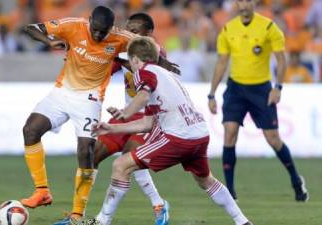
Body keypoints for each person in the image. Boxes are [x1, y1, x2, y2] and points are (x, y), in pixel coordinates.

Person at [90, 36, 253, 225]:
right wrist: (113, 128)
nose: (129, 65)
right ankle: (242, 221)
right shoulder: (166, 76)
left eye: (129, 61)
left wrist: (125, 112)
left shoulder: (143, 72)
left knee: (121, 165)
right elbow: (147, 123)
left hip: (178, 137)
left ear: (135, 60)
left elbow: (142, 97)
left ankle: (102, 221)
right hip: (199, 134)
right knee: (205, 180)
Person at [20, 6, 137, 225]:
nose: (98, 35)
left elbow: (147, 46)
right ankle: (42, 191)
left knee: (86, 151)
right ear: (89, 20)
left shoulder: (120, 37)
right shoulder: (73, 25)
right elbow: (31, 28)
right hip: (61, 92)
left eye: (104, 32)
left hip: (89, 100)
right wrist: (49, 42)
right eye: (95, 29)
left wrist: (160, 61)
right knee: (30, 130)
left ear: (111, 28)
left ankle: (76, 214)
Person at [207, 0, 309, 202]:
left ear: (254, 4)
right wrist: (212, 93)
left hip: (261, 89)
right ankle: (230, 192)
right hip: (235, 88)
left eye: (248, 1)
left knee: (272, 138)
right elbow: (221, 62)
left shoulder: (269, 27)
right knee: (229, 133)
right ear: (236, 5)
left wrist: (278, 88)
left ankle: (296, 180)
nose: (244, 5)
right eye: (240, 2)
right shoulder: (228, 29)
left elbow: (281, 59)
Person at [92, 13, 169, 225]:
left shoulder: (156, 51)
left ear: (148, 34)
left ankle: (158, 205)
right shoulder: (126, 52)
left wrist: (113, 55)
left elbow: (145, 65)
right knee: (91, 156)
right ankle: (76, 213)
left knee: (129, 158)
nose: (129, 35)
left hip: (149, 117)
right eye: (127, 30)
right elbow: (104, 68)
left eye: (134, 32)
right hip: (126, 116)